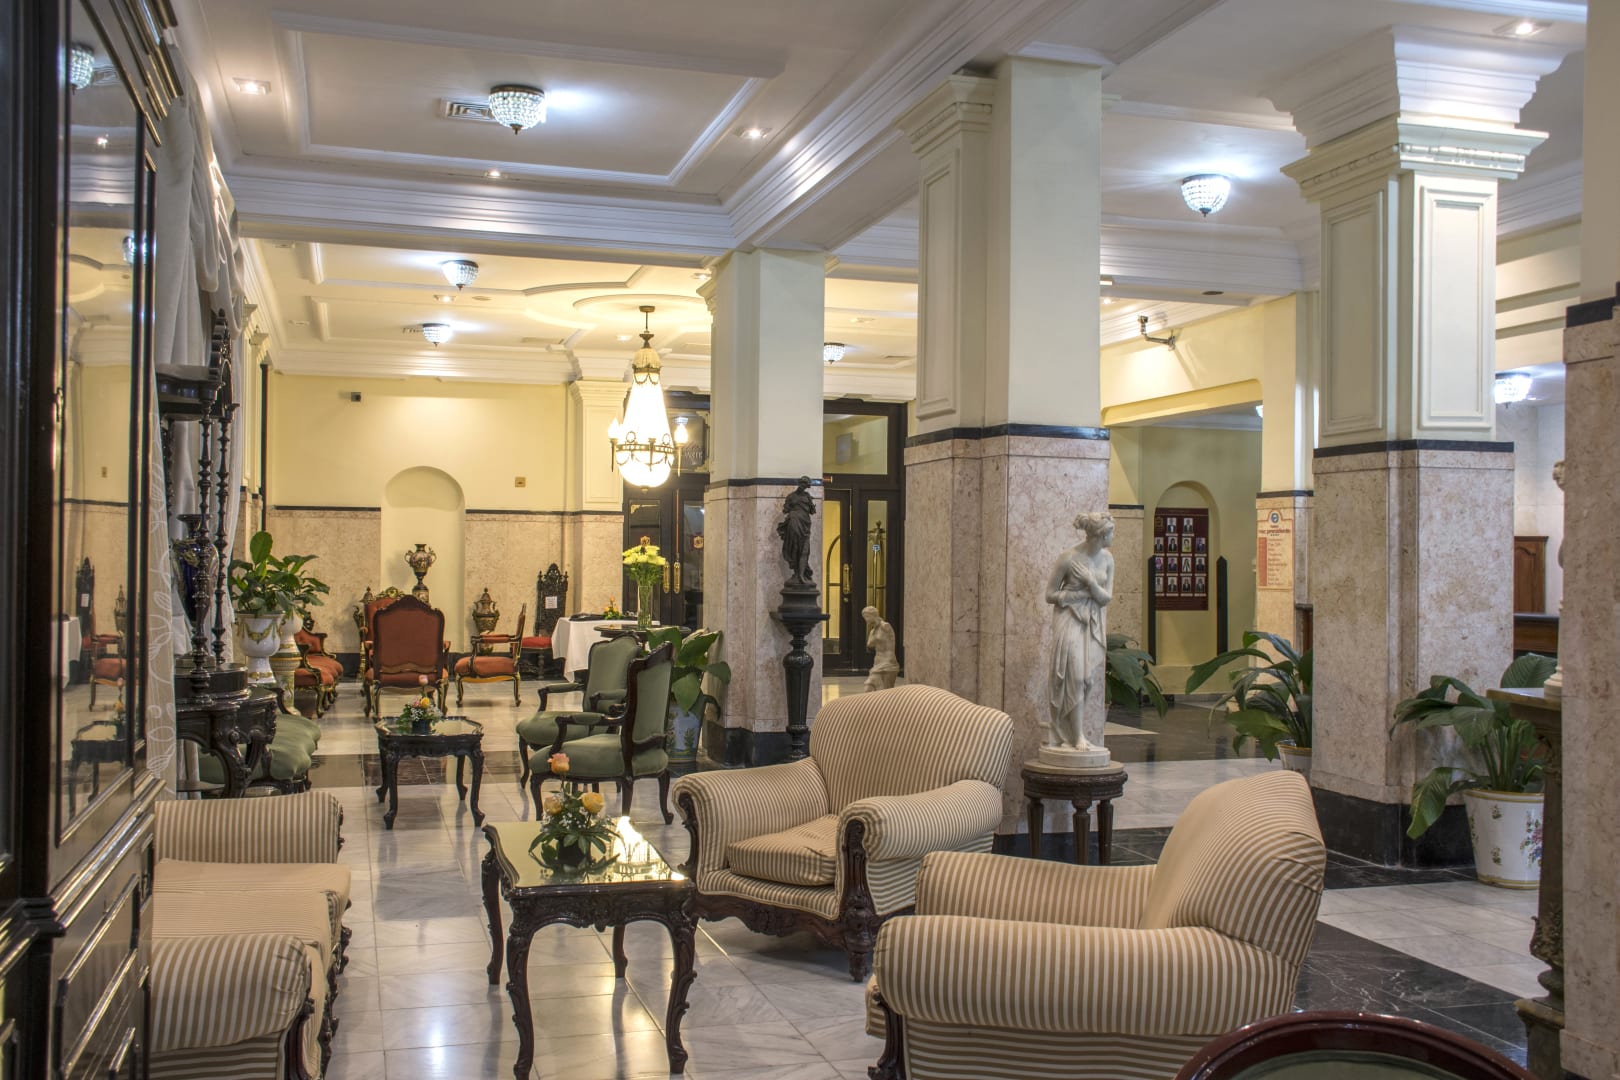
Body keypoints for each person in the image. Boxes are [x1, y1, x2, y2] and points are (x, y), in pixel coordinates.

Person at [1046, 511, 1115, 751]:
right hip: (1070, 620)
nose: (1113, 537)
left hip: (1092, 623)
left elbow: (1106, 598)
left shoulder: (1108, 559)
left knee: (1087, 680)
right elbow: (1050, 595)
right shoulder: (1068, 558)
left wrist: (1091, 582)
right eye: (1111, 532)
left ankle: (1073, 732)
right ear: (1100, 534)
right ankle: (1076, 737)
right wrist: (1080, 595)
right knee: (1074, 677)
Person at [776, 477, 816, 587]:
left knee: (805, 550)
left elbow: (812, 511)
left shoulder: (807, 496)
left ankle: (802, 574)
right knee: (795, 547)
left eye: (806, 485)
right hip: (794, 523)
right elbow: (785, 510)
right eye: (803, 483)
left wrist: (811, 505)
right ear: (799, 483)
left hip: (805, 524)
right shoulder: (791, 496)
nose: (804, 486)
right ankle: (798, 574)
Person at [861, 606, 899, 692]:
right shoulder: (873, 631)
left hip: (888, 661)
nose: (866, 620)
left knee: (884, 690)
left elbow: (890, 644)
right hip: (877, 661)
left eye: (867, 617)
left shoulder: (885, 626)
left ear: (873, 615)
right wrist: (873, 631)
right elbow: (869, 644)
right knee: (871, 687)